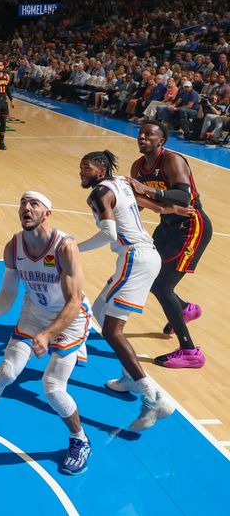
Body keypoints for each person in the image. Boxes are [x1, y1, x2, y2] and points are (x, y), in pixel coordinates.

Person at [0, 192, 92, 475]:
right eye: (23, 204)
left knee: (52, 388)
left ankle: (80, 439)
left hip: (70, 319)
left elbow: (74, 302)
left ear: (47, 213)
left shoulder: (65, 247)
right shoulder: (14, 247)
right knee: (6, 372)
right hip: (33, 313)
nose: (26, 208)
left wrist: (48, 335)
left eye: (34, 204)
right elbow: (8, 293)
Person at [77, 150, 177, 430]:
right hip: (140, 256)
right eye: (80, 167)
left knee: (111, 330)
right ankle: (129, 376)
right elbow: (148, 205)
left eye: (87, 167)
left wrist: (74, 247)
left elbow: (109, 233)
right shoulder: (120, 183)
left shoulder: (99, 192)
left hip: (135, 257)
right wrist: (168, 209)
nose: (82, 172)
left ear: (101, 169)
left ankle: (153, 398)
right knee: (99, 310)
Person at [128, 121, 212, 368]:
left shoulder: (172, 160)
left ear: (161, 141)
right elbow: (141, 201)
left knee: (162, 285)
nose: (142, 137)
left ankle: (190, 352)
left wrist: (147, 191)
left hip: (190, 226)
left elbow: (183, 196)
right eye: (140, 134)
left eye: (149, 134)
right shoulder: (137, 166)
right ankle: (185, 309)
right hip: (166, 225)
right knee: (152, 277)